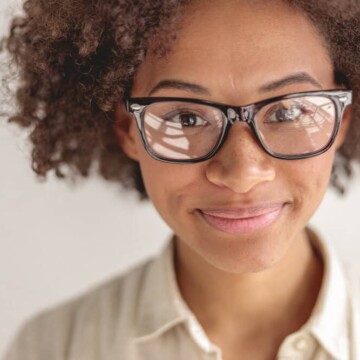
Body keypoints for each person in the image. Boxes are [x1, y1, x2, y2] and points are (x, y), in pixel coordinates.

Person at [2, 0, 360, 359]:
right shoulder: (53, 347)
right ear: (129, 131)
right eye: (186, 118)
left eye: (288, 111)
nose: (241, 174)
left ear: (343, 118)